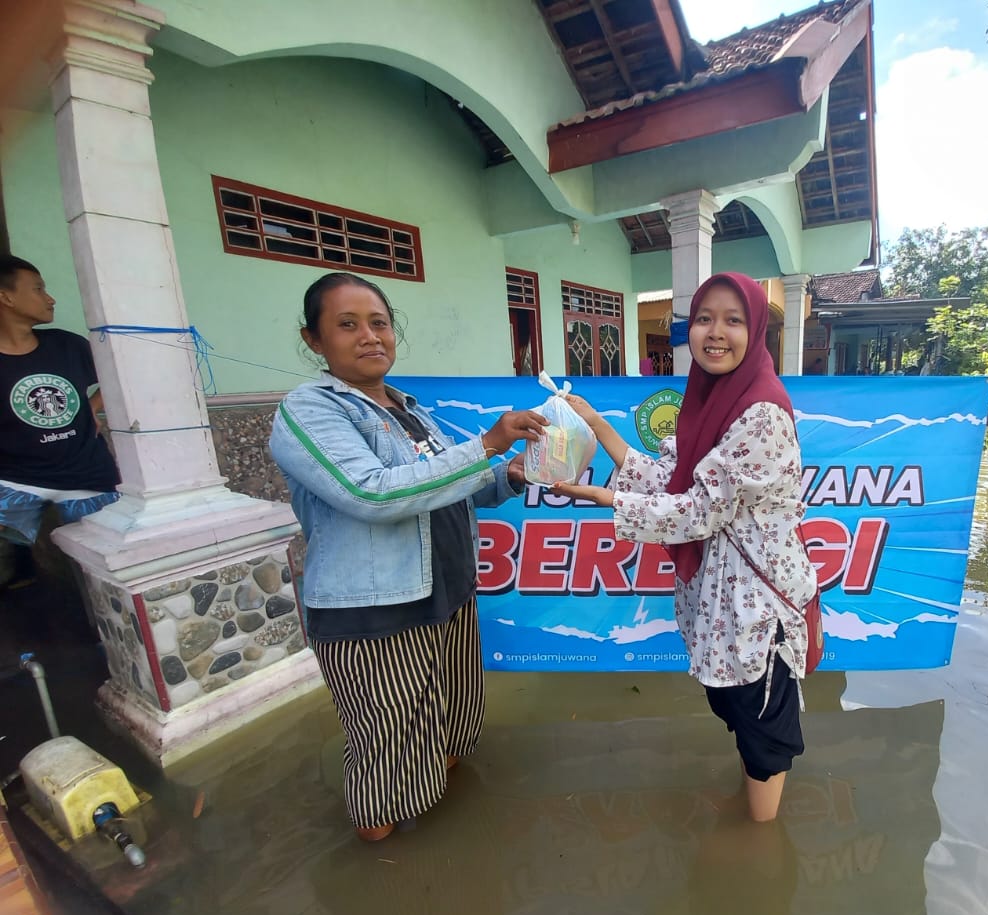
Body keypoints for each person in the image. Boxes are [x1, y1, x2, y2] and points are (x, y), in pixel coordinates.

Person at [269, 271, 548, 842]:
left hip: (446, 591)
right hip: (374, 608)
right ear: (313, 340)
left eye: (379, 323)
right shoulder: (309, 409)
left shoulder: (408, 409)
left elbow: (449, 486)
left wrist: (508, 476)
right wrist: (490, 444)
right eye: (347, 325)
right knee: (388, 735)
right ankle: (385, 861)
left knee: (448, 713)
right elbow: (371, 492)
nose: (370, 336)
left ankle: (447, 832)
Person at [555, 272, 817, 822]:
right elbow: (674, 480)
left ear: (757, 330)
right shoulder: (710, 399)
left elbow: (699, 512)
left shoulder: (761, 411)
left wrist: (607, 499)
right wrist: (599, 426)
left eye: (733, 320)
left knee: (764, 728)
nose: (715, 333)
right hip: (721, 595)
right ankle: (751, 798)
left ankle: (760, 849)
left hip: (757, 604)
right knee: (737, 706)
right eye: (704, 319)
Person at [0, 255, 120, 588]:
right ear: (5, 297)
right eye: (38, 289)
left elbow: (117, 376)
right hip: (15, 480)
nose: (50, 298)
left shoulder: (67, 346)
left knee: (104, 570)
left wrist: (92, 406)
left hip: (87, 476)